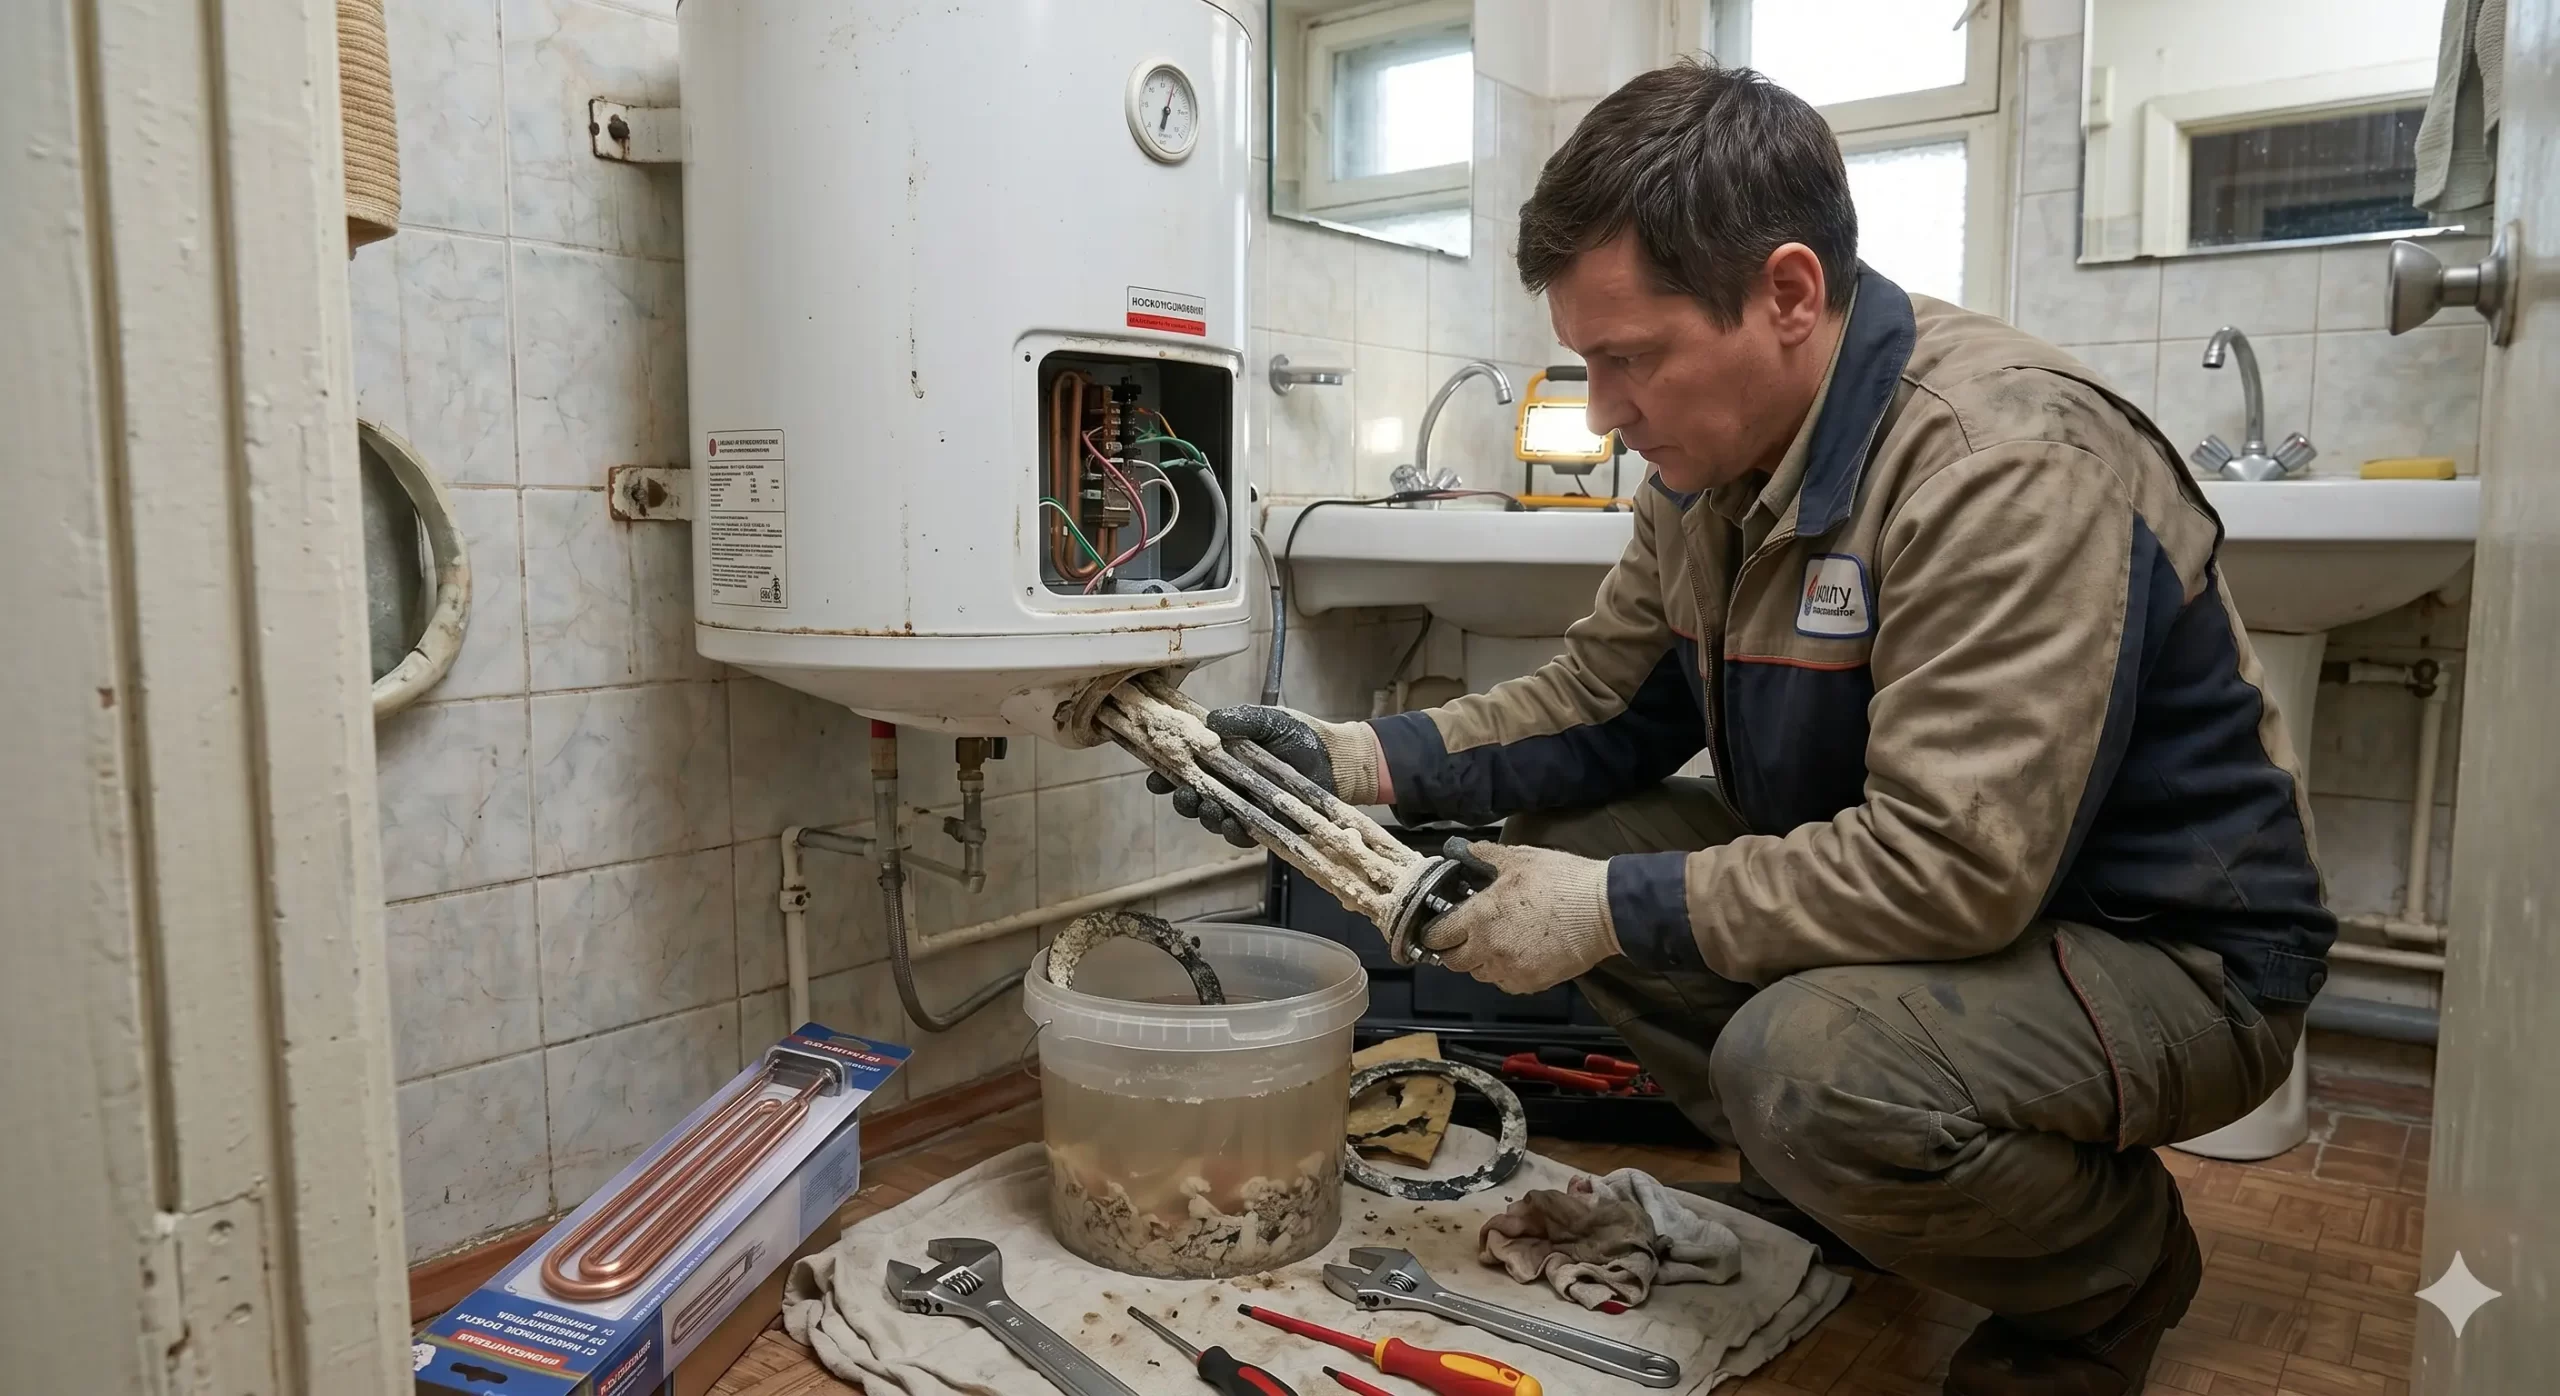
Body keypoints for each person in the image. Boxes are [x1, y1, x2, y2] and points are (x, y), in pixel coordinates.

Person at [1157, 60, 2333, 1396]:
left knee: (1802, 1063)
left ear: (1786, 293)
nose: (1603, 410)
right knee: (1571, 838)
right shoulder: (1712, 470)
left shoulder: (1997, 463)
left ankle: (2110, 1269)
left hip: (2165, 951)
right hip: (1972, 912)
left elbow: (1954, 867)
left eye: (1629, 360)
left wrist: (1608, 911)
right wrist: (1354, 761)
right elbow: (1600, 703)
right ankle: (1853, 1191)